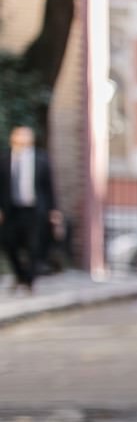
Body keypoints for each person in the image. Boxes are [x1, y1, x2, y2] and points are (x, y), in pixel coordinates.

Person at [2, 124, 58, 294]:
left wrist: (54, 211)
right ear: (13, 138)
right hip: (11, 210)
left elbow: (49, 187)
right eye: (19, 135)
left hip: (34, 210)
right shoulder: (4, 159)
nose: (22, 139)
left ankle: (29, 281)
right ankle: (21, 275)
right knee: (8, 244)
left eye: (26, 135)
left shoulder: (41, 159)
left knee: (34, 246)